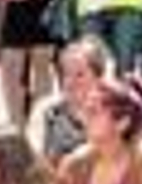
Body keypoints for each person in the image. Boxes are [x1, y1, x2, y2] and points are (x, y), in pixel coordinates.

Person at [28, 35, 112, 167]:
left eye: (79, 75)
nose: (70, 82)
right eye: (66, 74)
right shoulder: (47, 110)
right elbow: (33, 158)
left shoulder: (112, 113)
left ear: (98, 78)